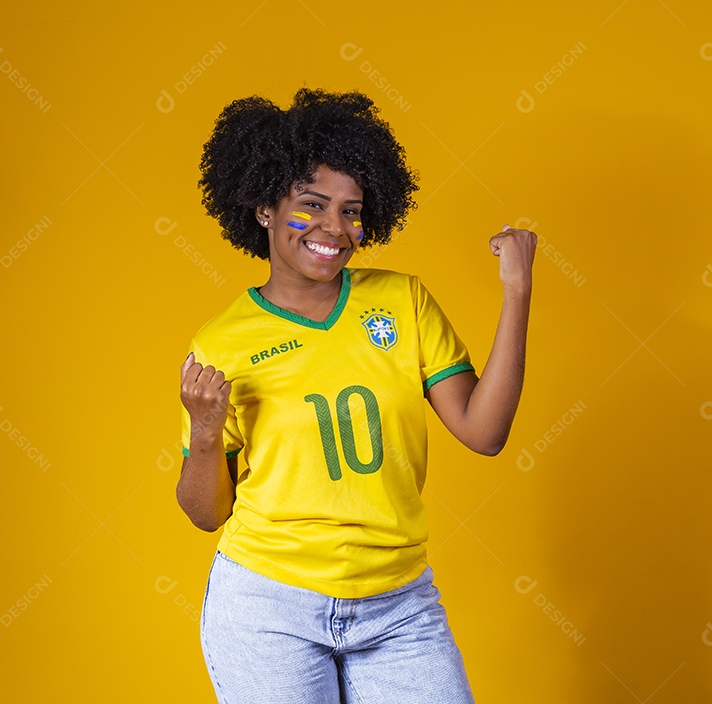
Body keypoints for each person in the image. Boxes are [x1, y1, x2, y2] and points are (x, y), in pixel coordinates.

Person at [176, 88, 536, 703]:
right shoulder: (221, 342)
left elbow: (484, 433)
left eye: (352, 210)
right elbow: (207, 513)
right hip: (269, 604)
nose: (334, 229)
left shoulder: (403, 301)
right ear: (265, 207)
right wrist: (205, 433)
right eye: (311, 205)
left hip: (397, 604)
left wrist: (517, 291)